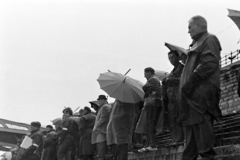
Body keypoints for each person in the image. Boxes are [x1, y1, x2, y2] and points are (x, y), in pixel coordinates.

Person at [179, 15, 222, 160]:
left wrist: (189, 83)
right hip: (191, 98)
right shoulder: (197, 43)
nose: (188, 31)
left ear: (199, 24)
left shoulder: (209, 39)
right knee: (191, 141)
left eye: (190, 27)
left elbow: (209, 64)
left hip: (201, 96)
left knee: (203, 138)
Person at [163, 50, 185, 144]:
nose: (171, 60)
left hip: (179, 96)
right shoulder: (172, 71)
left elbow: (184, 80)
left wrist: (171, 80)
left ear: (178, 57)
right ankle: (176, 138)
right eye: (169, 59)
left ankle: (181, 138)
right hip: (171, 99)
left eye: (172, 57)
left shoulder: (183, 68)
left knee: (180, 118)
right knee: (173, 119)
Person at [138, 67, 162, 152]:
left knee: (150, 123)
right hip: (152, 103)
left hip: (152, 103)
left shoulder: (153, 80)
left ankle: (152, 144)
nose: (144, 76)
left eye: (145, 73)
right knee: (149, 124)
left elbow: (143, 88)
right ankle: (149, 144)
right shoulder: (154, 80)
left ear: (149, 72)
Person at [92, 95, 111, 160]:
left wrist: (97, 126)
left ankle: (101, 156)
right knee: (100, 145)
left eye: (100, 100)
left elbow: (103, 118)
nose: (98, 101)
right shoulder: (103, 107)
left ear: (104, 100)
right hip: (102, 130)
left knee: (101, 145)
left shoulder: (105, 107)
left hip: (102, 130)